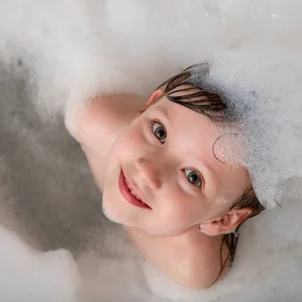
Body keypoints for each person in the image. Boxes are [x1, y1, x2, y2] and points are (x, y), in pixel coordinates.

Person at [68, 63, 265, 289]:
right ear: (150, 104)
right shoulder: (92, 121)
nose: (148, 171)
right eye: (159, 132)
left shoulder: (193, 267)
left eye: (192, 177)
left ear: (220, 220)